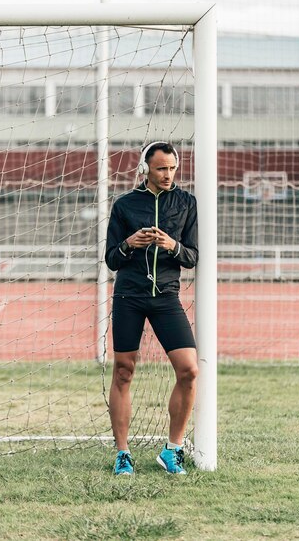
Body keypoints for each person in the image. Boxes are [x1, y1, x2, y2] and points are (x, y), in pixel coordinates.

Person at [105, 141, 199, 475]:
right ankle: (123, 454)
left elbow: (193, 256)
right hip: (129, 295)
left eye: (172, 167)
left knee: (189, 370)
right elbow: (111, 259)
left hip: (166, 299)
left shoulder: (186, 203)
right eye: (161, 168)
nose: (168, 174)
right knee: (123, 371)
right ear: (146, 169)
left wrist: (172, 245)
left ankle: (172, 450)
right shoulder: (125, 205)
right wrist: (130, 243)